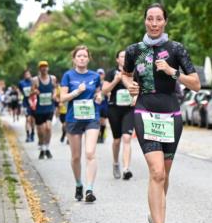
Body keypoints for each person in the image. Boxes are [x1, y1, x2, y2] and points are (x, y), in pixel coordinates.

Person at [121, 3, 200, 223]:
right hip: (145, 111)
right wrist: (130, 85)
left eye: (158, 19)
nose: (154, 23)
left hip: (171, 115)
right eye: (150, 19)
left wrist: (172, 71)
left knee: (163, 175)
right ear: (144, 21)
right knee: (156, 172)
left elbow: (196, 84)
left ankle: (154, 218)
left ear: (165, 22)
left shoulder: (176, 49)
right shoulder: (134, 50)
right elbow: (125, 74)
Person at [61, 46, 104, 202]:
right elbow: (62, 98)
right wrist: (77, 92)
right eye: (79, 56)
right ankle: (79, 184)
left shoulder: (95, 76)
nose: (82, 58)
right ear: (74, 59)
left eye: (84, 56)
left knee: (90, 153)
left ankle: (89, 189)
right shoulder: (68, 75)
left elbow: (98, 92)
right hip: (73, 118)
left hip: (92, 117)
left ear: (88, 59)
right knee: (76, 157)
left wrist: (99, 97)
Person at [103, 49, 136, 180]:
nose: (124, 58)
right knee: (117, 140)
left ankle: (126, 169)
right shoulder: (111, 73)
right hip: (114, 109)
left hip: (129, 109)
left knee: (127, 138)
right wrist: (116, 80)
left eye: (127, 56)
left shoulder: (134, 72)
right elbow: (104, 91)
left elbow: (139, 88)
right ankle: (116, 163)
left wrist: (135, 97)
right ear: (117, 59)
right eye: (122, 56)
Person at [32, 60, 58, 159]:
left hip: (49, 107)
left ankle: (46, 147)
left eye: (45, 66)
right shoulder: (35, 80)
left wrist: (54, 94)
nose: (44, 68)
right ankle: (42, 147)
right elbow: (31, 92)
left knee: (48, 128)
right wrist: (35, 91)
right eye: (42, 67)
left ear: (48, 68)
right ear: (39, 69)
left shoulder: (53, 78)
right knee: (41, 131)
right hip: (39, 109)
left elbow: (55, 88)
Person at [19, 69, 35, 143]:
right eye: (26, 74)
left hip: (33, 103)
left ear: (30, 74)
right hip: (25, 103)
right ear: (24, 75)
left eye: (28, 74)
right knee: (28, 119)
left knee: (32, 119)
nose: (27, 75)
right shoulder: (21, 83)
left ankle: (33, 133)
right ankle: (28, 135)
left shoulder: (33, 82)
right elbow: (20, 92)